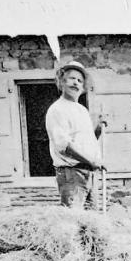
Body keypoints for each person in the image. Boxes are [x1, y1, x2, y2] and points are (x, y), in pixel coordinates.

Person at [46, 61, 105, 209]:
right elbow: (64, 146)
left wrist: (98, 129)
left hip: (89, 173)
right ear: (62, 82)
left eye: (80, 81)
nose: (76, 83)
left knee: (91, 219)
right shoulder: (57, 109)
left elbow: (86, 142)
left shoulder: (82, 110)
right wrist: (92, 161)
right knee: (74, 218)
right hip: (72, 175)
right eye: (72, 78)